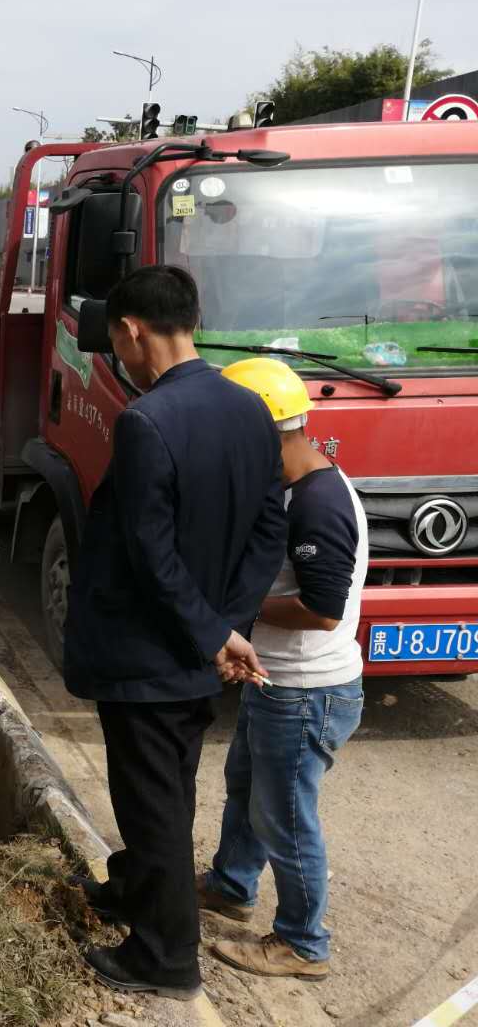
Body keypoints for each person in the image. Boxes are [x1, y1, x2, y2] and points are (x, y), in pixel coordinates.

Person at [64, 266, 288, 1001]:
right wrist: (229, 627)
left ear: (132, 331)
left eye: (119, 343)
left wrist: (205, 632)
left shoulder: (146, 421)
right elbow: (267, 530)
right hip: (200, 652)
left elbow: (148, 554)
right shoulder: (250, 409)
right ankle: (137, 891)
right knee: (170, 791)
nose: (121, 358)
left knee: (151, 802)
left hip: (150, 656)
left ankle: (164, 959)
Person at [199, 358, 367, 982]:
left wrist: (234, 612)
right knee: (246, 789)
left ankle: (302, 942)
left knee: (286, 819)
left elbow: (322, 611)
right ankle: (232, 886)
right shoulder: (299, 483)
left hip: (307, 692)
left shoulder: (319, 504)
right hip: (280, 683)